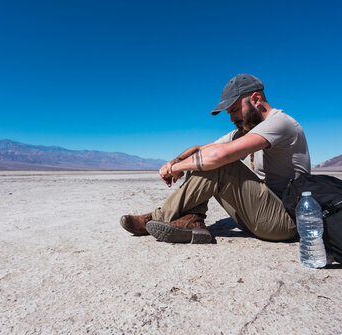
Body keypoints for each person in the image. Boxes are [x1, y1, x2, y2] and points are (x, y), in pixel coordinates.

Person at [120, 74, 311, 243]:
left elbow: (219, 156)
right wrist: (174, 163)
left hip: (285, 221)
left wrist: (180, 168)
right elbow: (199, 150)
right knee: (203, 159)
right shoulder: (247, 130)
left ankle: (157, 218)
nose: (232, 118)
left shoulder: (279, 123)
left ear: (256, 99)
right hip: (259, 214)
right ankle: (192, 220)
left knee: (220, 163)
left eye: (235, 109)